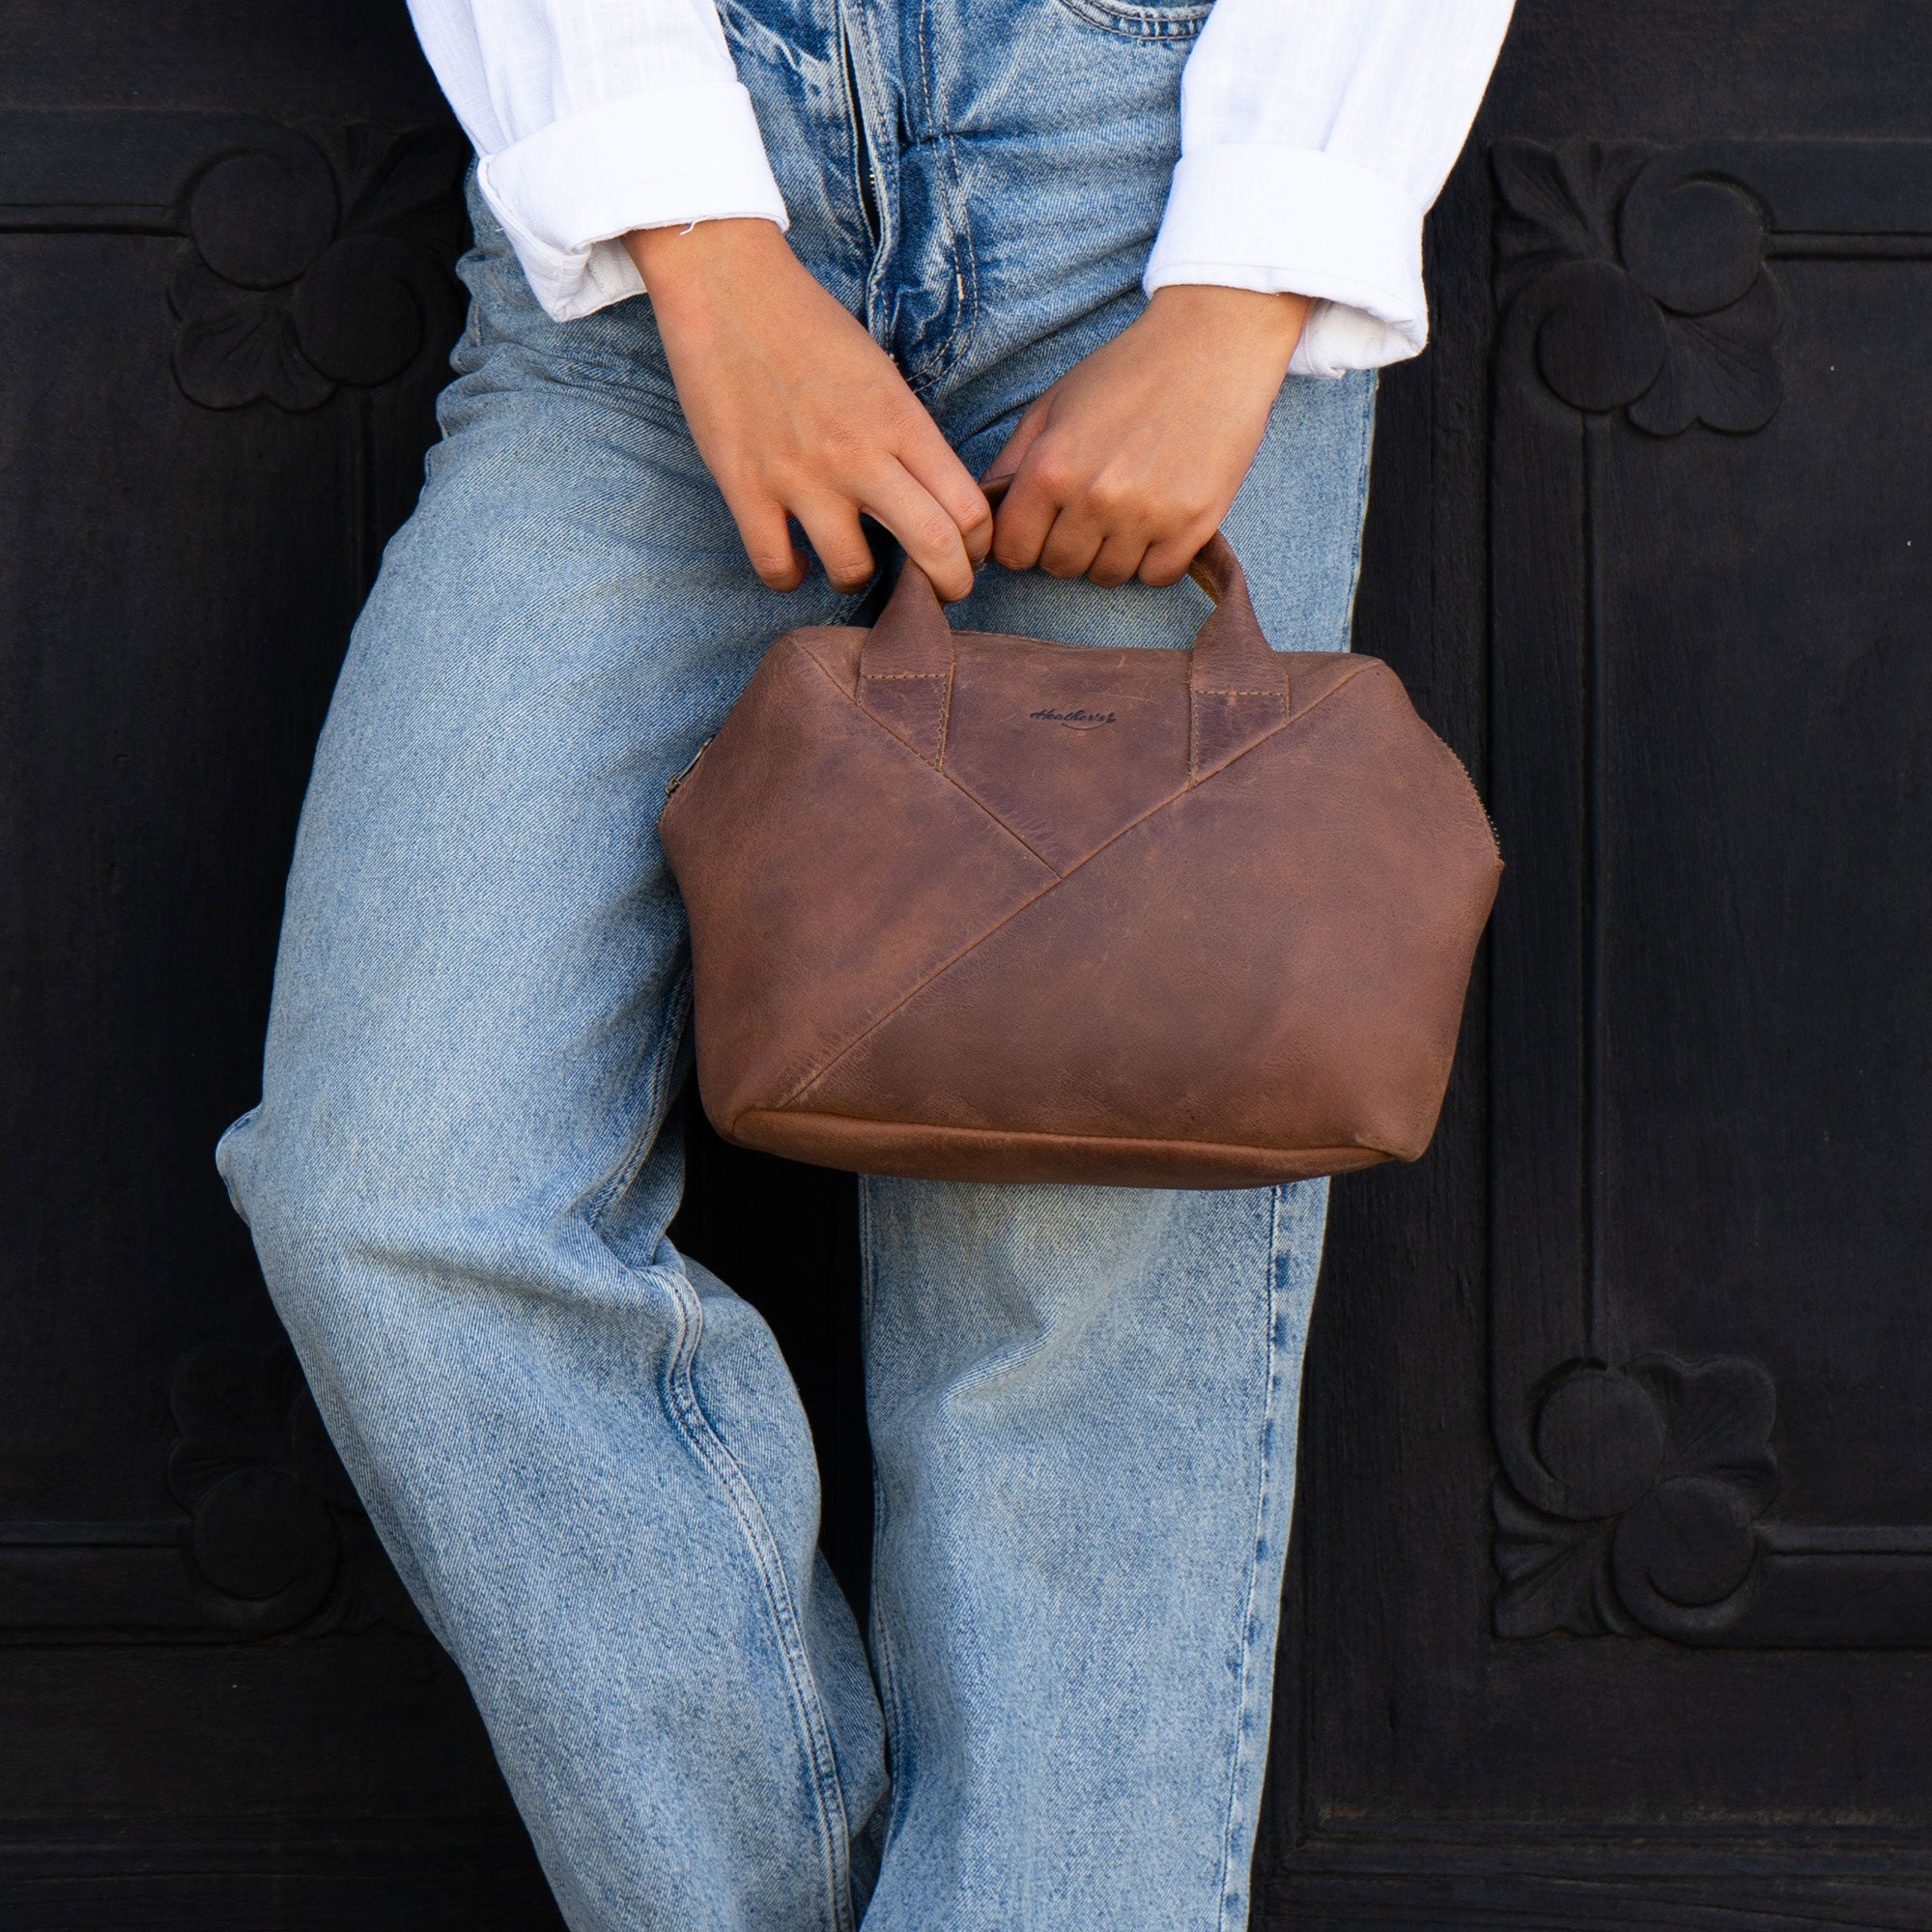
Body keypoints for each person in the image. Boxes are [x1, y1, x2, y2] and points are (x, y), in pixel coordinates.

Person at [216, 1, 1513, 1925]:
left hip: (1146, 184)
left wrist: (1254, 273)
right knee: (399, 1195)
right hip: (658, 196)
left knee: (1073, 1340)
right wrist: (697, 237)